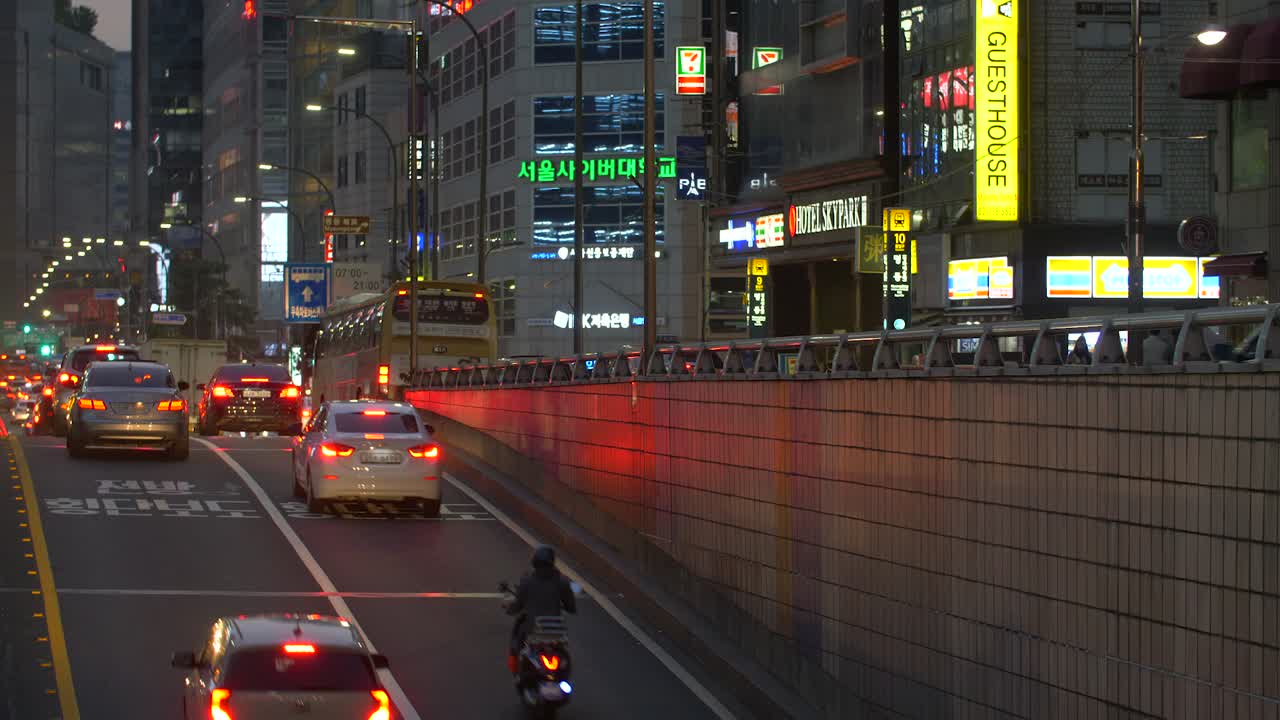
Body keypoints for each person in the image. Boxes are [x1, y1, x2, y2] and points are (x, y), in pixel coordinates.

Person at [505, 545, 576, 673]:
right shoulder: (562, 582)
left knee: (516, 638)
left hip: (532, 629)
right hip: (556, 631)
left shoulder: (527, 581)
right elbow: (571, 608)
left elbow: (517, 605)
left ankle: (514, 666)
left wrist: (510, 609)